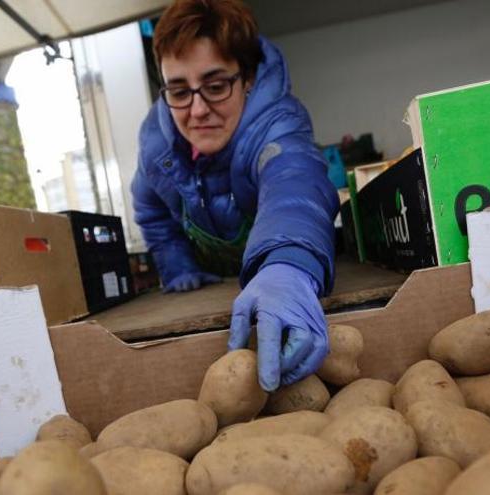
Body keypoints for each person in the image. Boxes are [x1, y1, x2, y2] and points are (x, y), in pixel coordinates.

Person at [131, 0, 339, 391]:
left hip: (276, 267)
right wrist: (177, 266)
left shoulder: (277, 124)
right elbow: (150, 208)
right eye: (178, 90)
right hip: (215, 283)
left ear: (246, 79)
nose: (197, 110)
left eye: (215, 86)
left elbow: (294, 181)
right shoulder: (157, 147)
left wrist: (289, 263)